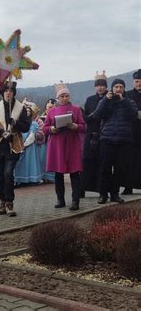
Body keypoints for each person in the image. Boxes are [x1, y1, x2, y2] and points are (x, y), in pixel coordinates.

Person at [0, 82, 31, 216]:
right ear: (2, 92)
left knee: (8, 174)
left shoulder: (20, 108)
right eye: (6, 90)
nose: (8, 92)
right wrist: (0, 132)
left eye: (11, 90)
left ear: (14, 93)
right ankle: (2, 202)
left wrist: (15, 123)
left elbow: (26, 127)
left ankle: (10, 203)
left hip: (13, 146)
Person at [90, 78, 137, 204]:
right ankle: (103, 194)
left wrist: (123, 101)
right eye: (116, 87)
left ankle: (115, 194)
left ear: (124, 89)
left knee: (119, 169)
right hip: (107, 139)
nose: (118, 89)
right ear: (111, 88)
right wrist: (105, 99)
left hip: (123, 140)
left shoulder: (129, 101)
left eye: (121, 87)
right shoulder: (105, 101)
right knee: (105, 168)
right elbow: (97, 115)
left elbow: (133, 115)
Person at [43, 82, 86, 210]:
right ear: (58, 98)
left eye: (66, 96)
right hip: (57, 144)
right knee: (58, 174)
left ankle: (75, 200)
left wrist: (75, 126)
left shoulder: (76, 110)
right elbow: (44, 128)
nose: (64, 98)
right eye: (62, 96)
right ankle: (60, 199)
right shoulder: (52, 111)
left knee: (74, 173)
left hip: (72, 143)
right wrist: (51, 128)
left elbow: (84, 126)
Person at [81, 71, 108, 196]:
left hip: (105, 133)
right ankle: (82, 189)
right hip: (91, 133)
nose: (100, 87)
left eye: (102, 85)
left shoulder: (110, 98)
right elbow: (86, 117)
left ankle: (103, 190)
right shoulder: (90, 99)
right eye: (97, 85)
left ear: (106, 86)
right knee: (87, 161)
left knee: (102, 163)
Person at [14, 101, 42, 185]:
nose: (27, 112)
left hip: (29, 146)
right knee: (21, 162)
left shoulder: (33, 123)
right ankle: (21, 179)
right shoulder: (21, 123)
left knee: (30, 162)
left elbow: (32, 136)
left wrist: (25, 144)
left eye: (29, 111)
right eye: (26, 111)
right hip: (20, 144)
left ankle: (31, 179)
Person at [123, 69, 141, 194]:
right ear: (133, 82)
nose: (139, 84)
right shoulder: (127, 95)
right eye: (137, 81)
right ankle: (128, 186)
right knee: (128, 160)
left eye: (140, 81)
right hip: (131, 132)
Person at [38, 99, 56, 183]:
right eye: (48, 107)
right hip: (44, 141)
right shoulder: (42, 117)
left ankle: (51, 176)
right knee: (43, 159)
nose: (49, 109)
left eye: (51, 107)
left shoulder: (56, 116)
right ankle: (43, 175)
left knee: (51, 159)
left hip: (53, 140)